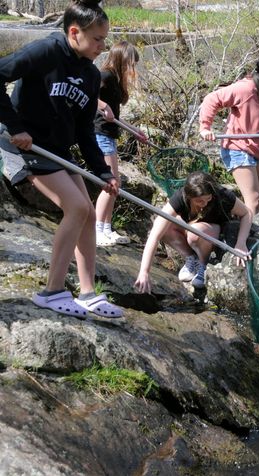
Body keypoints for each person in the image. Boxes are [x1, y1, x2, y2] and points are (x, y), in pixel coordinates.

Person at [0, 0, 124, 319]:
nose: (102, 45)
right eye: (97, 39)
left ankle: (88, 294)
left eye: (104, 38)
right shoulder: (45, 51)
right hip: (24, 147)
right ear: (74, 32)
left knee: (86, 212)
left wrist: (102, 171)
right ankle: (51, 291)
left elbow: (84, 129)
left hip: (57, 151)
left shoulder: (91, 75)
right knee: (79, 207)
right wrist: (14, 126)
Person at [134, 171, 252, 293]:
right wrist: (144, 271)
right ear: (189, 197)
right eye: (199, 201)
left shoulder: (222, 194)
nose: (205, 203)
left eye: (208, 198)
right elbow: (155, 234)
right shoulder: (181, 197)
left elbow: (247, 213)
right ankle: (192, 258)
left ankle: (203, 265)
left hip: (213, 231)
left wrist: (241, 243)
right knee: (164, 226)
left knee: (195, 233)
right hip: (191, 227)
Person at [198, 54, 259, 214]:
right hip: (237, 148)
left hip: (257, 150)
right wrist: (205, 127)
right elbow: (212, 99)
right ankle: (248, 236)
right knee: (253, 199)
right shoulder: (246, 89)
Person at [94, 40, 147, 247]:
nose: (133, 68)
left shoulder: (115, 81)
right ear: (121, 59)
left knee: (116, 185)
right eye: (131, 63)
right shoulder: (105, 74)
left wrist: (135, 131)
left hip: (110, 134)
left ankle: (107, 229)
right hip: (100, 134)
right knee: (111, 184)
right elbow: (87, 91)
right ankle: (97, 230)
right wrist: (101, 104)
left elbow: (113, 116)